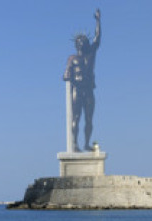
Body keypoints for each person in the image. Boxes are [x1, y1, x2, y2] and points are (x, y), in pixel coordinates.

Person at [63, 9, 101, 151]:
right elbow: (66, 74)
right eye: (81, 41)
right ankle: (74, 144)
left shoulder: (90, 54)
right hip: (77, 90)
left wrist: (98, 21)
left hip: (89, 89)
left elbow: (97, 38)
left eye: (85, 40)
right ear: (77, 44)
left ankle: (86, 143)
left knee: (89, 119)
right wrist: (67, 75)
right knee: (76, 117)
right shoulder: (72, 59)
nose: (83, 42)